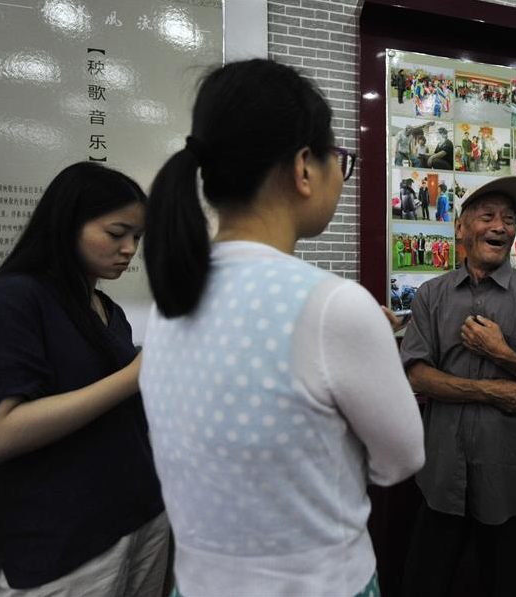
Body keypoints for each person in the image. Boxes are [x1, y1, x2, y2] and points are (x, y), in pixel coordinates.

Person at [139, 59, 424, 597]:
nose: (341, 173)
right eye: (339, 157)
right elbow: (402, 459)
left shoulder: (171, 301)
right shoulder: (334, 306)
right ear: (303, 168)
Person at [0, 162, 168, 595]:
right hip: (64, 541)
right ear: (68, 223)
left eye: (137, 237)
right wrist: (135, 375)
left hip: (140, 515)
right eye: (116, 233)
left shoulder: (109, 310)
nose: (129, 249)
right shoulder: (15, 297)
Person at [400, 176, 516, 597]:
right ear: (460, 227)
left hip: (509, 483)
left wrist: (503, 354)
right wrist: (491, 391)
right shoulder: (431, 296)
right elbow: (416, 374)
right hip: (442, 480)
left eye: (509, 219)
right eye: (487, 216)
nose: (500, 226)